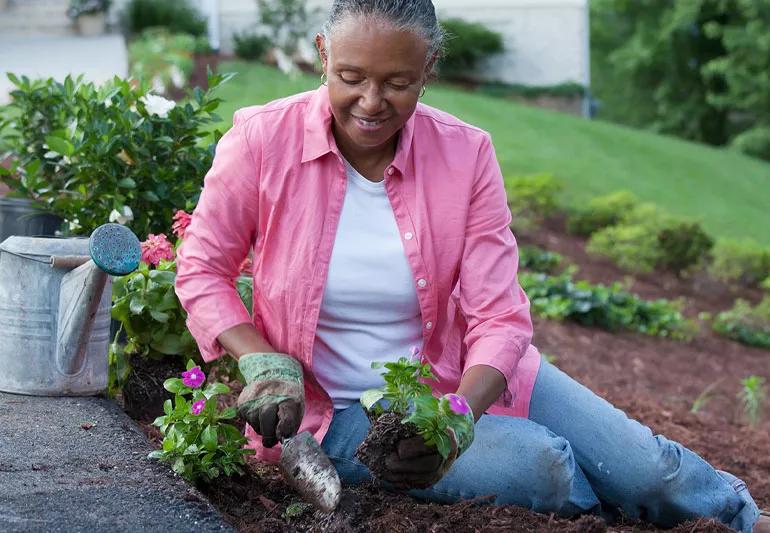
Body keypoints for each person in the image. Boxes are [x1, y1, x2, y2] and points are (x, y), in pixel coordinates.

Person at [175, 1, 767, 531]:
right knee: (548, 467)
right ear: (323, 55)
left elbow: (501, 318)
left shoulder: (465, 153)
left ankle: (740, 518)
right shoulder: (261, 141)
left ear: (429, 69)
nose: (372, 102)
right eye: (350, 77)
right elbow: (202, 267)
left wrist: (456, 421)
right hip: (343, 413)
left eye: (399, 82)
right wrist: (259, 357)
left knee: (651, 473)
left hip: (464, 377)